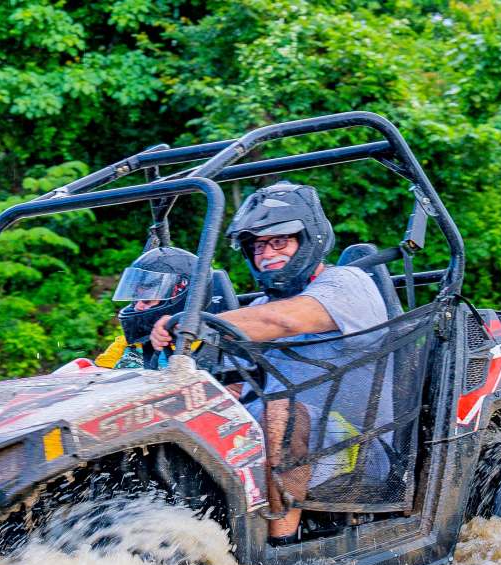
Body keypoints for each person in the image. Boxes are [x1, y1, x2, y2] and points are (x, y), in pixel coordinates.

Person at [150, 181, 390, 545]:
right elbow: (229, 379)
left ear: (308, 239)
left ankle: (279, 549)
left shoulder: (347, 283)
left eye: (280, 241)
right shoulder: (258, 306)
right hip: (273, 443)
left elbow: (286, 320)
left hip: (356, 447)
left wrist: (192, 320)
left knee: (281, 408)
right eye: (258, 246)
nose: (267, 253)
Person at [96, 246, 197, 369]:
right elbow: (95, 379)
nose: (137, 307)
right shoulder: (125, 345)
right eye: (135, 299)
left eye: (147, 300)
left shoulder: (207, 347)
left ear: (179, 298)